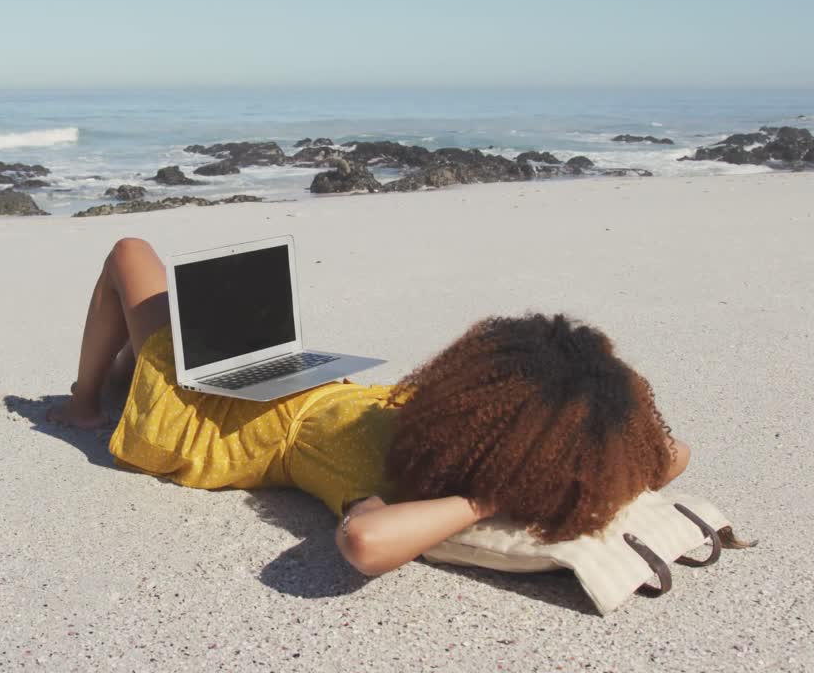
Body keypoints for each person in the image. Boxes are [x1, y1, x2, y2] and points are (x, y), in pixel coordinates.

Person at [47, 238, 691, 577]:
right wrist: (610, 458)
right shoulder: (455, 435)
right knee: (185, 321)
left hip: (213, 422)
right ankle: (121, 374)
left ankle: (84, 404)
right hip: (291, 383)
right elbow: (671, 457)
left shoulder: (391, 478)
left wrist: (488, 499)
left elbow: (365, 542)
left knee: (130, 251)